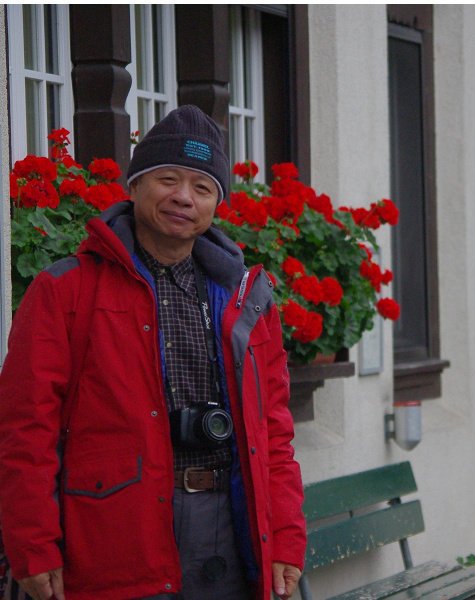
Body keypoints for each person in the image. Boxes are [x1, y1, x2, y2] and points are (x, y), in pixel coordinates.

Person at [0, 105, 306, 600]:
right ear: (135, 185)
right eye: (167, 179)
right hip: (112, 529)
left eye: (202, 187)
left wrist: (286, 538)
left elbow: (274, 432)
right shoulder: (65, 290)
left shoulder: (247, 298)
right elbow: (24, 429)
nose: (183, 197)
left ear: (216, 205)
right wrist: (33, 545)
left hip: (226, 523)